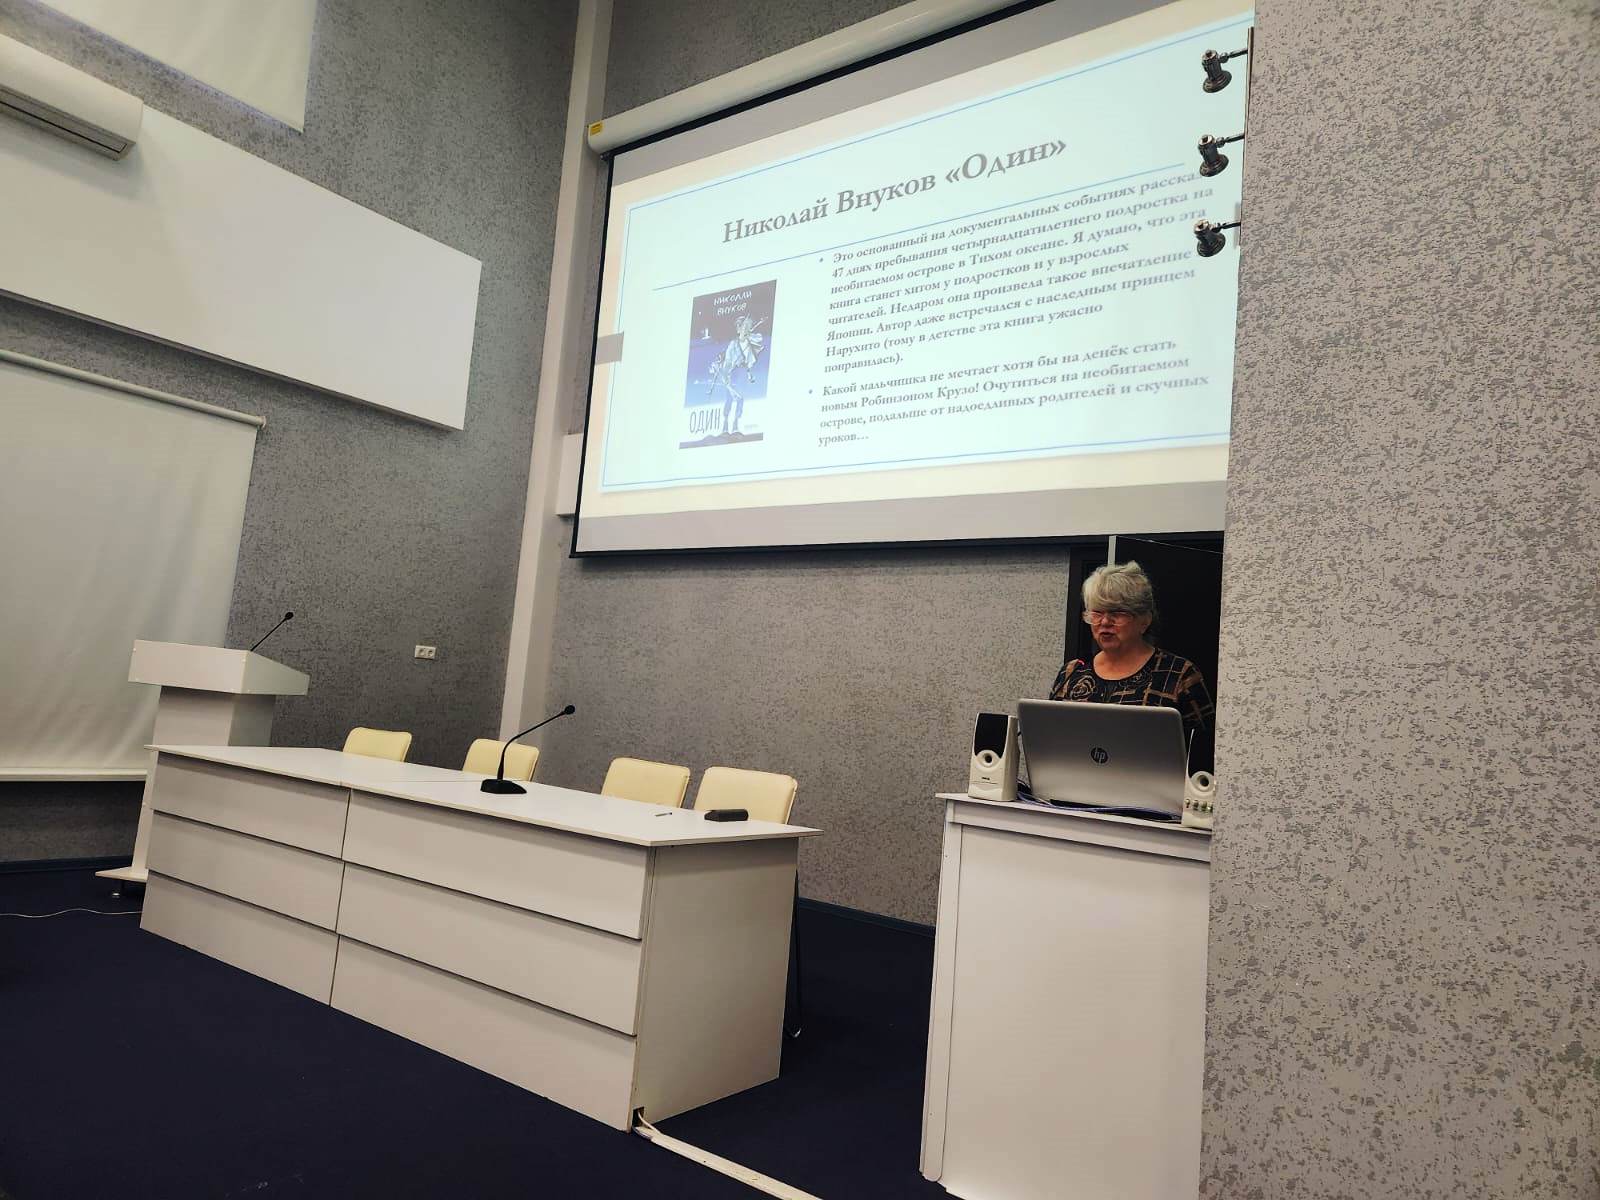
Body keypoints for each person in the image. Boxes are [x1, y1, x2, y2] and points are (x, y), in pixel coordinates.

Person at [1050, 561, 1215, 755]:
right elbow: (1052, 741)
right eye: (1097, 613)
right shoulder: (1072, 672)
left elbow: (1205, 754)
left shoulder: (1179, 675)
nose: (1105, 622)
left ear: (1144, 620)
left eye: (1117, 613)